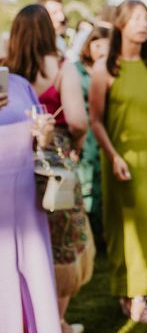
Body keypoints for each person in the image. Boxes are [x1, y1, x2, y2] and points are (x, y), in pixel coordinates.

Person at [6, 4, 94, 333]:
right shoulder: (62, 68)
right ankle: (56, 318)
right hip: (55, 164)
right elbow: (77, 120)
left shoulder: (7, 74)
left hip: (14, 171)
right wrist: (78, 144)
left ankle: (33, 312)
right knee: (64, 240)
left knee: (27, 244)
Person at [89, 0, 147, 324]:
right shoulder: (105, 69)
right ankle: (134, 296)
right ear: (121, 24)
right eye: (137, 18)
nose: (143, 24)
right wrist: (113, 156)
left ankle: (146, 288)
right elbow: (95, 120)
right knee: (128, 228)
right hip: (121, 158)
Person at [0, 73, 61, 333]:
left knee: (34, 267)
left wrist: (45, 133)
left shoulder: (18, 84)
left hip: (25, 195)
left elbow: (40, 143)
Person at [75, 26, 111, 249]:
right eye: (96, 44)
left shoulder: (112, 70)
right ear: (88, 46)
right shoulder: (76, 70)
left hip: (105, 131)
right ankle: (89, 239)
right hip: (84, 132)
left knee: (104, 183)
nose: (101, 50)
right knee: (85, 184)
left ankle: (104, 236)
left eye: (106, 46)